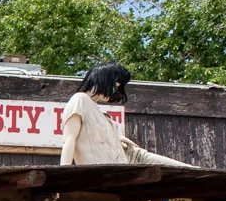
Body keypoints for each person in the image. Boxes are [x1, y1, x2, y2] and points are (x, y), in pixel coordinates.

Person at [59, 63, 192, 167]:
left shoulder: (98, 111)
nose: (115, 92)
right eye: (115, 86)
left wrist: (117, 138)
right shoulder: (80, 99)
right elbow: (69, 140)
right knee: (180, 172)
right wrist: (62, 177)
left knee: (184, 169)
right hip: (115, 168)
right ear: (104, 80)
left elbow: (94, 135)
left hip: (129, 157)